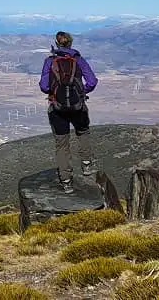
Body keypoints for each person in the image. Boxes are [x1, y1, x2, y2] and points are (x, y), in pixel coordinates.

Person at [39, 31, 98, 194]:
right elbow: (92, 82)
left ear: (56, 44)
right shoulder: (78, 60)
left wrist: (57, 92)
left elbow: (44, 87)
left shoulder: (50, 61)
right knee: (83, 133)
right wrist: (80, 92)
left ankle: (66, 181)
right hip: (78, 106)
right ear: (70, 43)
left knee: (62, 144)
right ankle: (86, 166)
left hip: (57, 108)